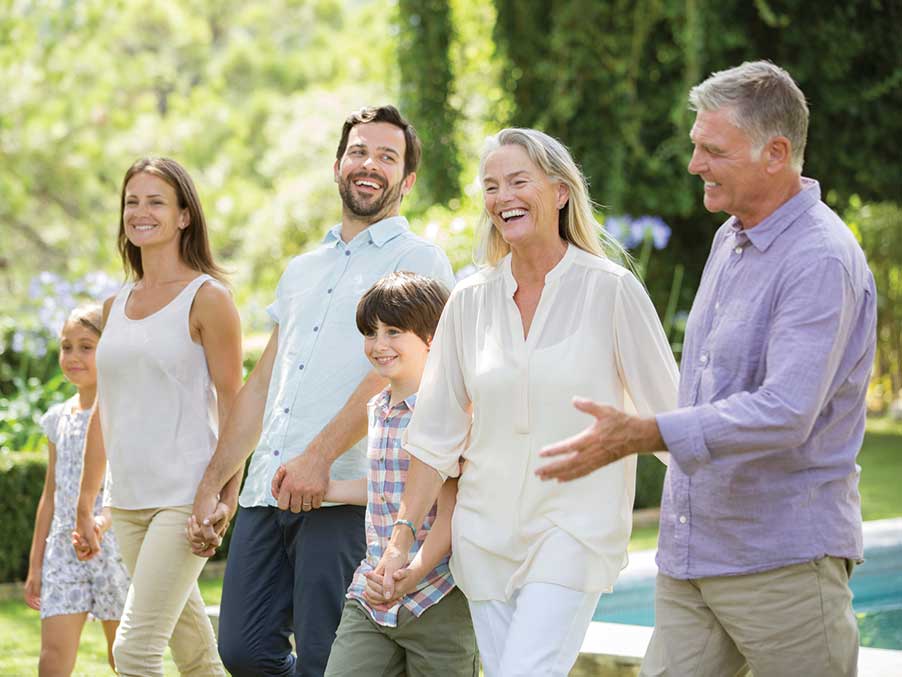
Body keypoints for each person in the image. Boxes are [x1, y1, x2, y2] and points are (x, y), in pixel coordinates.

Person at [538, 61, 876, 677]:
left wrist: (647, 433)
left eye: (712, 150)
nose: (695, 164)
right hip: (694, 557)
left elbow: (786, 410)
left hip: (783, 563)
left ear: (776, 153)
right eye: (696, 146)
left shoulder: (821, 260)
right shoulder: (730, 239)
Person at [370, 128, 679, 677]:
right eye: (491, 186)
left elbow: (672, 418)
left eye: (518, 181)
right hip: (483, 537)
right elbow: (435, 435)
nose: (502, 196)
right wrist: (400, 543)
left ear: (560, 192)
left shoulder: (611, 291)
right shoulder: (469, 299)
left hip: (574, 528)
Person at [188, 105, 455, 677]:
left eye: (388, 157)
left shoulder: (418, 259)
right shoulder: (301, 269)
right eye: (359, 152)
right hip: (267, 491)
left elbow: (397, 371)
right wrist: (217, 483)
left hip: (342, 493)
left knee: (325, 658)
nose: (369, 165)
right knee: (242, 649)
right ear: (338, 165)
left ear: (406, 181)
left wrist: (318, 458)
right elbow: (264, 382)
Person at [73, 157, 243, 677]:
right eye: (132, 201)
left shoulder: (208, 299)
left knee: (134, 652)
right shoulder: (113, 304)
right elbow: (106, 406)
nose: (140, 212)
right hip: (126, 504)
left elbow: (235, 403)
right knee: (194, 654)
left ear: (184, 216)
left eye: (156, 202)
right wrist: (86, 498)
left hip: (184, 499)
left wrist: (225, 496)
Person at [312, 272, 479, 677]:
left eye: (393, 331)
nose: (378, 344)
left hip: (438, 597)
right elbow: (388, 488)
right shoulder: (379, 407)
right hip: (371, 595)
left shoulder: (450, 413)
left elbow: (451, 510)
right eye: (371, 332)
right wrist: (326, 488)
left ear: (432, 337)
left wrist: (413, 572)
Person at [24, 304, 130, 676]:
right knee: (52, 658)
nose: (73, 356)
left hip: (115, 547)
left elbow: (133, 484)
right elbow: (49, 495)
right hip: (64, 553)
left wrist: (103, 521)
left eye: (86, 346)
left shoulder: (124, 414)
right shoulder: (57, 419)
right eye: (66, 346)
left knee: (125, 656)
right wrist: (36, 564)